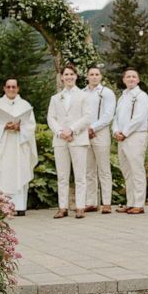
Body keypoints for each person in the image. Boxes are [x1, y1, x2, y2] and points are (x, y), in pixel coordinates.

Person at [46, 65, 95, 219]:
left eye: (71, 74)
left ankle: (80, 207)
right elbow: (51, 118)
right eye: (66, 74)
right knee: (62, 176)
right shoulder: (55, 98)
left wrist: (72, 129)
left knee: (80, 175)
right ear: (62, 77)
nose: (68, 77)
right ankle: (63, 207)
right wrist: (61, 132)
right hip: (60, 141)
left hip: (78, 139)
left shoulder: (84, 96)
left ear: (76, 76)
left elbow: (87, 117)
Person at [0, 78, 38, 216]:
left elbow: (31, 126)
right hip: (2, 145)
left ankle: (19, 206)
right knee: (1, 173)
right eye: (8, 87)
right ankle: (0, 205)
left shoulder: (25, 105)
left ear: (18, 88)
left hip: (18, 145)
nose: (11, 89)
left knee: (19, 172)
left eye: (13, 87)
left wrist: (20, 127)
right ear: (4, 88)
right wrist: (3, 126)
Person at [112, 68, 148, 214]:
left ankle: (139, 204)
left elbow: (139, 117)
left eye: (134, 77)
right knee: (127, 171)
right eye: (128, 77)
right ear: (124, 80)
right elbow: (116, 117)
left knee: (137, 169)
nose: (131, 79)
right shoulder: (122, 97)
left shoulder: (142, 96)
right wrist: (115, 131)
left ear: (138, 80)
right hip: (122, 137)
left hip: (136, 136)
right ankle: (130, 202)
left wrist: (125, 132)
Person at [83, 66, 116, 214]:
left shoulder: (106, 93)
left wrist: (93, 128)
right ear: (87, 76)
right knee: (89, 170)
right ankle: (91, 201)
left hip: (100, 133)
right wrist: (85, 129)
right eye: (91, 74)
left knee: (104, 169)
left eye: (97, 74)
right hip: (84, 134)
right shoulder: (82, 93)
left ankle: (107, 202)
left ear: (100, 76)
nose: (94, 77)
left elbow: (108, 115)